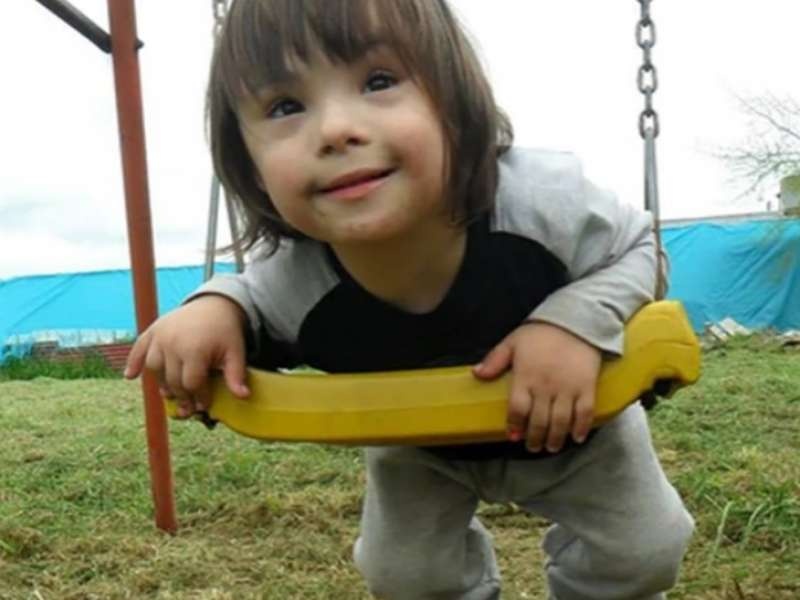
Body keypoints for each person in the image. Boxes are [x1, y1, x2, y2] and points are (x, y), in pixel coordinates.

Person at [125, 0, 694, 597]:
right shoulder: (299, 279)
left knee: (644, 548)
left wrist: (571, 323)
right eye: (285, 107)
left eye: (378, 81)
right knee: (404, 574)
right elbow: (249, 305)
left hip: (577, 426)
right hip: (422, 452)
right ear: (249, 165)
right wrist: (213, 310)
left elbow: (640, 250)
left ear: (455, 105)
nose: (335, 130)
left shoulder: (541, 203)